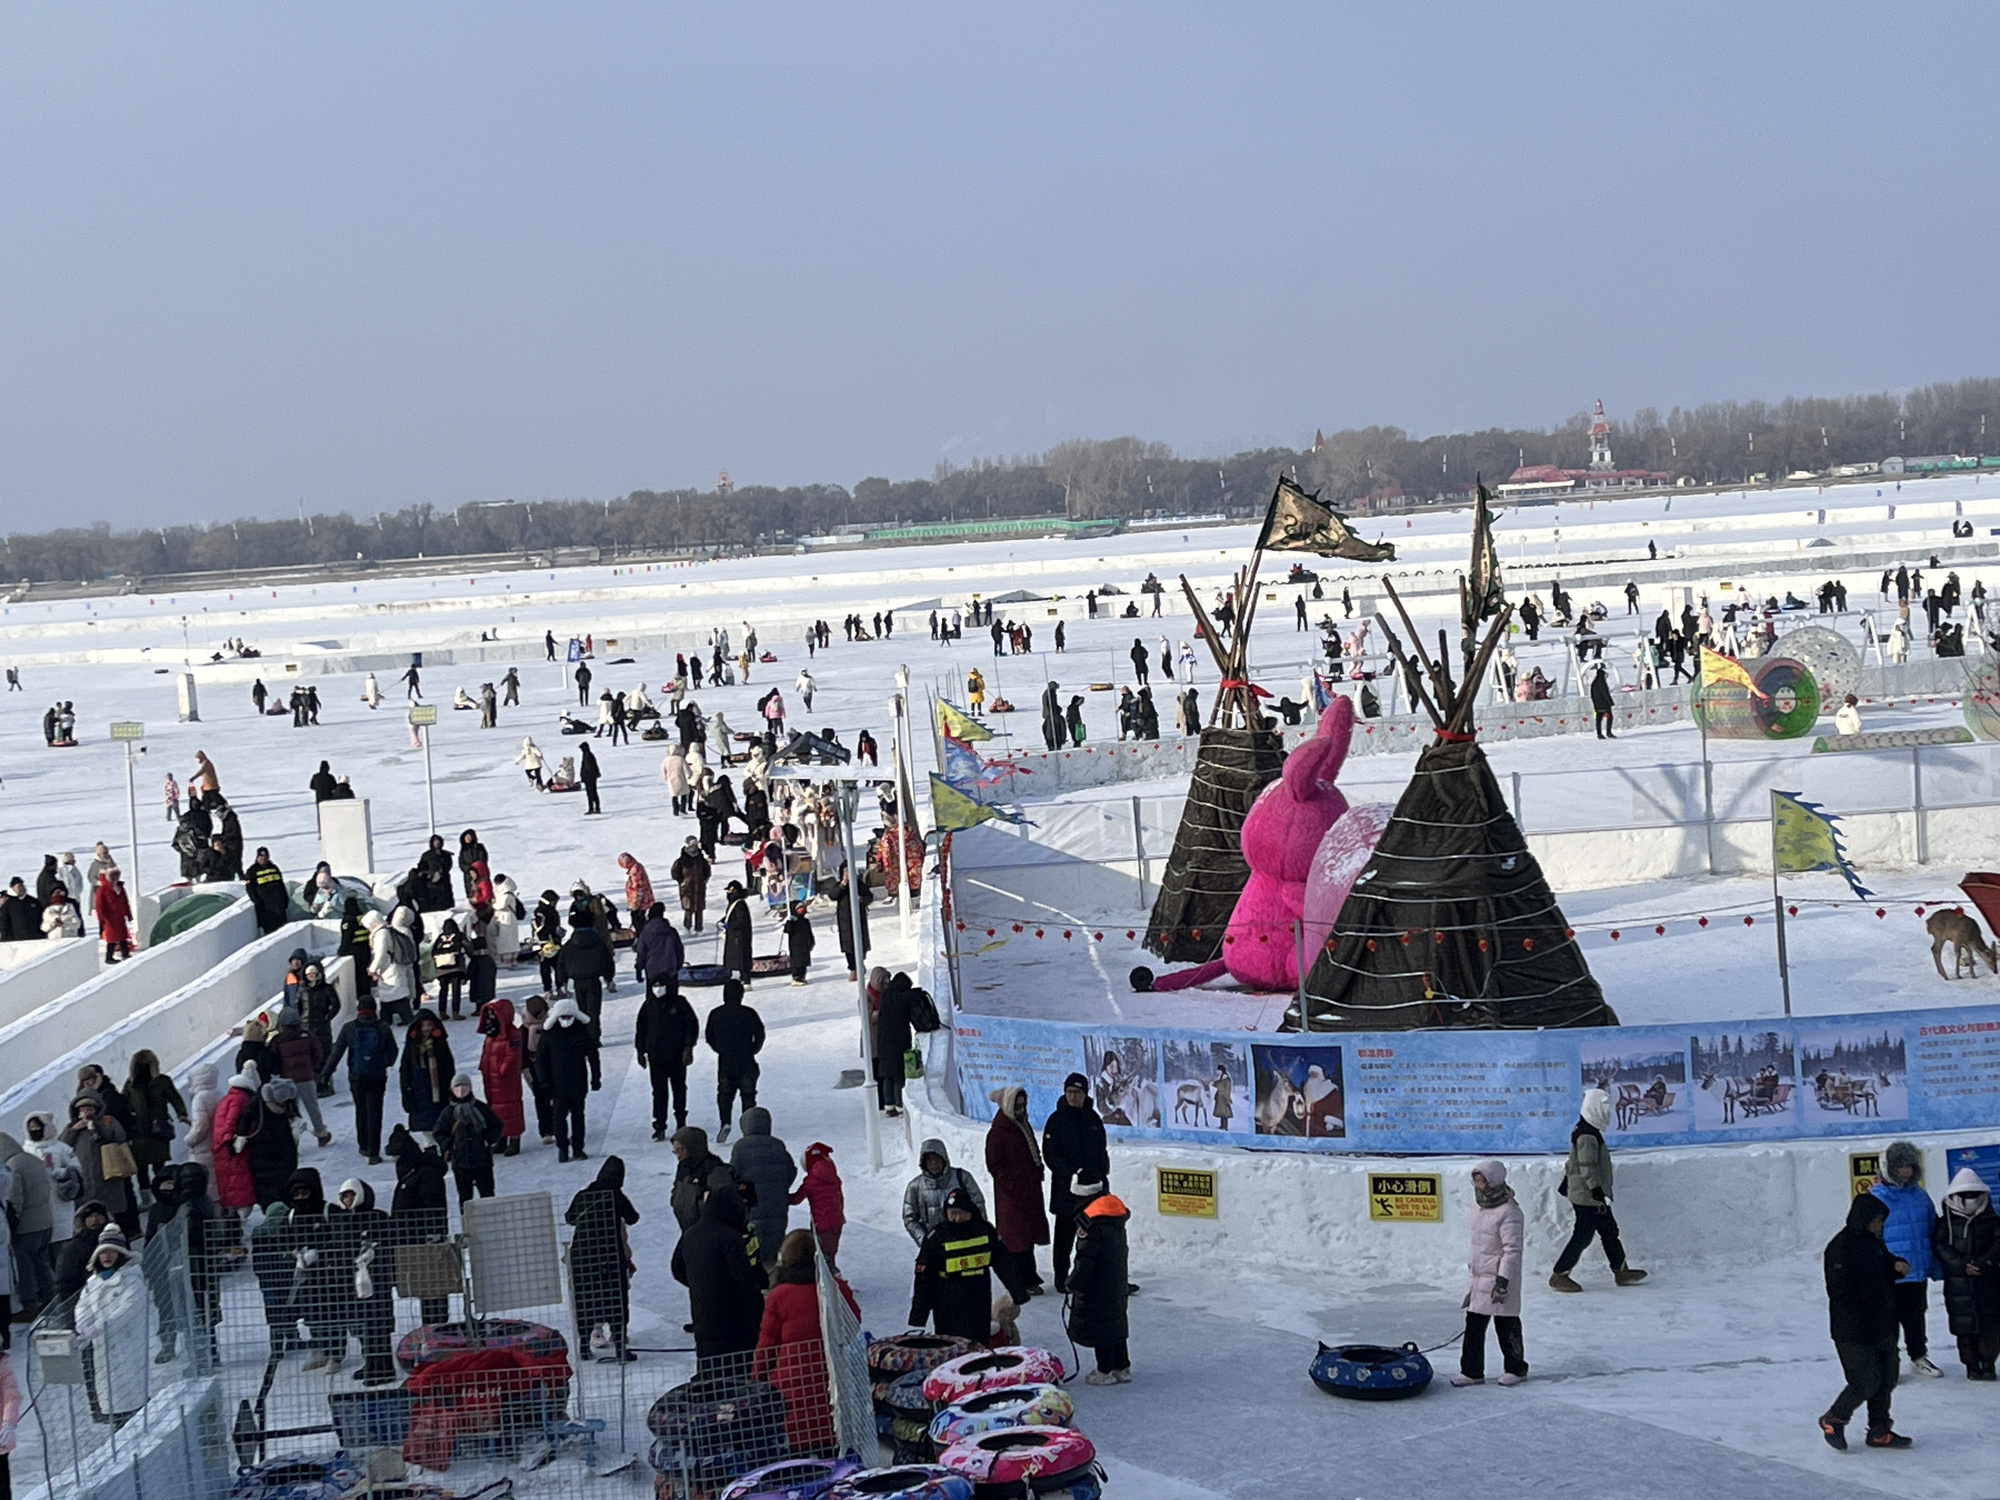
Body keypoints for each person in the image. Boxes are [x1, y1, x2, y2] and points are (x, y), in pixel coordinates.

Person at [1820, 1192, 1913, 1450]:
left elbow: (1884, 1268)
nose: (1880, 1225)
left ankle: (1879, 1429)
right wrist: (1869, 1296)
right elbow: (1839, 1290)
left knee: (1886, 1378)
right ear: (1864, 1219)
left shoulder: (1874, 1243)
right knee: (1865, 1381)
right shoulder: (1840, 1247)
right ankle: (1834, 1418)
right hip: (1853, 1329)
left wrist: (1897, 1265)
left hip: (1882, 1324)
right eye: (1877, 1220)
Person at [756, 1230, 858, 1453]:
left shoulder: (779, 1295)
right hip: (832, 1385)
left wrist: (757, 1379)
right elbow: (853, 1326)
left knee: (795, 1460)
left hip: (789, 1392)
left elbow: (767, 1346)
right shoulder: (835, 1289)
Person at [1548, 1088, 1646, 1291]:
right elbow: (1587, 1165)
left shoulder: (1589, 1129)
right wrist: (1596, 1190)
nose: (1607, 1111)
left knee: (1610, 1231)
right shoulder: (1586, 1135)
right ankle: (1560, 1274)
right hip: (1588, 1197)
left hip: (1592, 1196)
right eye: (1604, 1106)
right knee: (1583, 1235)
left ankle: (1621, 1271)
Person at [672, 1181, 766, 1376]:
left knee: (710, 1375)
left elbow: (677, 1269)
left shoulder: (690, 1234)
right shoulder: (730, 1237)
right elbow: (745, 1281)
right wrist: (759, 1315)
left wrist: (701, 1284)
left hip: (703, 1319)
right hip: (735, 1322)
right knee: (737, 1376)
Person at [1451, 1159, 1528, 1386]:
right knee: (1473, 1327)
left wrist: (1502, 1282)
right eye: (1475, 1180)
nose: (1478, 1184)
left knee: (1507, 1325)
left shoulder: (1509, 1211)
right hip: (1479, 1278)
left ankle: (1516, 1368)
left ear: (1494, 1180)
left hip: (1500, 1280)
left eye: (1482, 1179)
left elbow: (1512, 1250)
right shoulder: (1478, 1206)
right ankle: (1472, 1372)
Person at [1872, 1140, 1943, 1376]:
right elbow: (1869, 1238)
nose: (1906, 1171)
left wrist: (1934, 1265)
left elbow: (1932, 1229)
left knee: (1915, 1316)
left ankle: (1919, 1356)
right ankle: (1888, 1365)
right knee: (1888, 1321)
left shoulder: (1919, 1196)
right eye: (1900, 1166)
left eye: (1909, 1166)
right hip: (1890, 1273)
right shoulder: (1877, 1197)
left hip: (1916, 1271)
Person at [73, 1227, 149, 1427]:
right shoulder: (93, 1282)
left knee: (130, 1394)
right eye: (103, 1252)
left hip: (127, 1345)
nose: (107, 1256)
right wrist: (83, 1322)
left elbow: (125, 1312)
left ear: (121, 1254)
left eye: (112, 1251)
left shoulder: (132, 1281)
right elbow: (83, 1304)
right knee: (110, 1395)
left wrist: (98, 1327)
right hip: (102, 1348)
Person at [566, 1156, 640, 1361]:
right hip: (609, 1256)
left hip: (583, 1256)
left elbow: (570, 1218)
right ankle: (620, 1348)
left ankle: (584, 1345)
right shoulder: (616, 1195)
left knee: (586, 1299)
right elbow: (633, 1218)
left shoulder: (585, 1193)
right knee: (615, 1298)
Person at [1043, 1072, 1109, 1294]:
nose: (1073, 1097)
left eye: (1077, 1092)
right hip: (1066, 1189)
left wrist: (1100, 1172)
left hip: (1093, 1188)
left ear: (1085, 1094)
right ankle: (1062, 1278)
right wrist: (1070, 1173)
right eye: (1069, 1092)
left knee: (1095, 1234)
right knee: (1064, 1236)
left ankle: (1093, 1274)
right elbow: (1050, 1154)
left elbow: (1101, 1150)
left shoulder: (1093, 1119)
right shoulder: (1056, 1119)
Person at [1931, 1165, 2000, 1378]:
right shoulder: (1945, 1223)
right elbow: (1940, 1246)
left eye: (1975, 1195)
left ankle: (1988, 1363)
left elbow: (1999, 1244)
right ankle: (1971, 1366)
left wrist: (1984, 1263)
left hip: (1988, 1282)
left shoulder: (1992, 1221)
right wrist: (1961, 1265)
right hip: (1958, 1284)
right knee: (1964, 1328)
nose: (1970, 1200)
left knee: (1991, 1326)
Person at [1067, 1173, 1132, 1384]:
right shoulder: (1115, 1214)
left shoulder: (1089, 1222)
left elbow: (1086, 1259)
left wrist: (1073, 1283)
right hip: (1116, 1280)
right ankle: (1122, 1367)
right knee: (1115, 1323)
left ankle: (1104, 1371)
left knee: (1101, 1327)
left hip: (1096, 1285)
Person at [985, 1086, 1049, 1300]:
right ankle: (1019, 1282)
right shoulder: (998, 1132)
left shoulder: (1022, 1125)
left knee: (1027, 1238)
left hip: (1028, 1191)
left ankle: (1029, 1277)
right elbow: (994, 1165)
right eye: (1017, 1105)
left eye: (1023, 1105)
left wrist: (1037, 1170)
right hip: (1011, 1195)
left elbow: (1033, 1151)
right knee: (1016, 1240)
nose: (1021, 1109)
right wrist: (1012, 1185)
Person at [910, 1187, 996, 1343]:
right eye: (953, 1213)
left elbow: (1003, 1261)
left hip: (978, 1294)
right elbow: (924, 1277)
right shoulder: (937, 1236)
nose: (956, 1218)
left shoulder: (984, 1230)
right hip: (947, 1298)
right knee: (949, 1343)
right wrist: (919, 1315)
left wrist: (1018, 1291)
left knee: (979, 1340)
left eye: (961, 1213)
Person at [320, 998, 398, 1164]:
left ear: (358, 1010)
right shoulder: (382, 1027)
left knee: (361, 1110)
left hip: (356, 1076)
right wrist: (384, 1063)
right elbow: (393, 1052)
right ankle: (374, 1153)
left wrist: (325, 1075)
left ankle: (363, 1146)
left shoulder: (350, 1028)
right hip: (377, 1076)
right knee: (375, 1112)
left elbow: (336, 1053)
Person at [62, 1093, 137, 1241]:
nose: (86, 1111)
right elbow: (63, 1145)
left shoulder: (108, 1121)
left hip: (109, 1176)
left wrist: (98, 1127)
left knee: (113, 1213)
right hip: (86, 1179)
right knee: (88, 1215)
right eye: (82, 1109)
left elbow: (121, 1137)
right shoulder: (72, 1127)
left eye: (89, 1108)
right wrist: (74, 1130)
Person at [730, 1107, 795, 1274]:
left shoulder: (741, 1147)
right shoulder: (777, 1145)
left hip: (752, 1205)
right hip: (777, 1205)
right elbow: (791, 1170)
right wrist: (780, 1188)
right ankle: (773, 1277)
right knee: (775, 1241)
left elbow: (734, 1174)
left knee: (754, 1243)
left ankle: (759, 1282)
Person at [0, 1127, 56, 1317]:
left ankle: (29, 1305)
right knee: (41, 1261)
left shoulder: (12, 1166)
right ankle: (50, 1296)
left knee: (24, 1266)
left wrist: (11, 1223)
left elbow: (15, 1199)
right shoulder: (32, 1159)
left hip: (27, 1226)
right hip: (45, 1221)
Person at [636, 973, 700, 1140]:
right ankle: (660, 1125)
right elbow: (641, 1029)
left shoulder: (679, 1003)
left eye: (660, 985)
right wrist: (640, 1051)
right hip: (656, 1056)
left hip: (677, 1055)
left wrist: (688, 1047)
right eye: (654, 985)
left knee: (679, 1089)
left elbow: (691, 1025)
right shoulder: (648, 1005)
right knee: (658, 1091)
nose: (658, 989)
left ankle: (680, 1123)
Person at [538, 996, 601, 1163]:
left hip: (578, 1083)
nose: (566, 1020)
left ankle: (578, 1148)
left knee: (578, 1117)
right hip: (556, 1085)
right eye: (562, 1017)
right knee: (558, 1118)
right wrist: (544, 1083)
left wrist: (596, 1077)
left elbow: (593, 1056)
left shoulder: (582, 1032)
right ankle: (562, 1148)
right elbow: (541, 1061)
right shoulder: (549, 1035)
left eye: (569, 1017)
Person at [705, 979, 765, 1144]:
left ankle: (725, 1122)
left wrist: (720, 1049)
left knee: (725, 1094)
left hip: (726, 1061)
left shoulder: (716, 1014)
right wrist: (754, 1049)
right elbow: (760, 1033)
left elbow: (709, 1036)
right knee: (748, 1095)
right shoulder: (749, 1013)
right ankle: (749, 1126)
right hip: (746, 1059)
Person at [433, 1073, 504, 1204]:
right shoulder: (448, 1112)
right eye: (457, 1086)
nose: (461, 1089)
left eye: (464, 1086)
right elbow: (438, 1133)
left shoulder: (481, 1108)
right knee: (465, 1199)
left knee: (488, 1196)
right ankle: (466, 1222)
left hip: (483, 1161)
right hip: (461, 1163)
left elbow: (496, 1126)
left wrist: (487, 1140)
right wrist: (450, 1144)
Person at [122, 1050, 190, 1185]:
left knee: (143, 1167)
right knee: (157, 1166)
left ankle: (149, 1196)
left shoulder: (131, 1084)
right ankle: (162, 1193)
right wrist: (181, 1113)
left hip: (141, 1130)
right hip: (156, 1129)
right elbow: (175, 1098)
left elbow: (124, 1102)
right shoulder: (161, 1081)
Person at [903, 1138, 986, 1246]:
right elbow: (909, 1218)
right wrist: (924, 1240)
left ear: (944, 1159)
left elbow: (978, 1205)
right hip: (935, 1247)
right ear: (923, 1162)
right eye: (929, 1160)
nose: (934, 1163)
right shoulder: (915, 1187)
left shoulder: (962, 1178)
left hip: (964, 1241)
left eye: (937, 1159)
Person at [476, 999, 526, 1156]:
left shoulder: (512, 1034)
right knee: (496, 1109)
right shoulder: (492, 1033)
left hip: (506, 1080)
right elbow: (486, 1052)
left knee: (511, 1108)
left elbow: (513, 1056)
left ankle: (514, 1140)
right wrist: (484, 1067)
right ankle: (501, 1138)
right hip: (491, 1078)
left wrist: (501, 1071)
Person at [558, 910, 616, 1031]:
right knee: (594, 1011)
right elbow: (607, 961)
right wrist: (609, 978)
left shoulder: (569, 944)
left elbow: (561, 963)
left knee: (582, 1010)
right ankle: (594, 1037)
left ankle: (585, 1037)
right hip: (594, 981)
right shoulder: (598, 942)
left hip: (578, 982)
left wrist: (562, 981)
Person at [400, 1011, 454, 1135]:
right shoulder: (412, 1045)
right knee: (425, 1123)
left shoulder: (440, 1043)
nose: (426, 1029)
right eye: (424, 1026)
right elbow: (405, 1068)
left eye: (429, 1025)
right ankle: (430, 1146)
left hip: (439, 1087)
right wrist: (406, 1088)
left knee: (439, 1119)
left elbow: (448, 1065)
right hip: (419, 1087)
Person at [833, 865, 871, 981]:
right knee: (848, 947)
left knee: (861, 943)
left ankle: (860, 963)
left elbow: (869, 896)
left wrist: (862, 899)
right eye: (845, 873)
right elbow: (832, 895)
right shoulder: (839, 886)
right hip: (845, 921)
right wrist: (842, 885)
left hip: (859, 919)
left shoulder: (859, 884)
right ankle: (853, 969)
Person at [93, 866, 132, 964]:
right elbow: (99, 906)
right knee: (112, 938)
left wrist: (128, 913)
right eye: (112, 876)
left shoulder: (120, 888)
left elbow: (125, 901)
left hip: (119, 916)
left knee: (123, 935)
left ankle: (125, 953)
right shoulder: (103, 889)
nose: (115, 878)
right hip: (109, 918)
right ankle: (109, 957)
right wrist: (101, 918)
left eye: (116, 875)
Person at [672, 838, 711, 933]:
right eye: (693, 845)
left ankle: (699, 928)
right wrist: (682, 882)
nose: (695, 847)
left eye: (696, 844)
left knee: (699, 908)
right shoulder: (682, 860)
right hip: (687, 889)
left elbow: (707, 871)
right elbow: (675, 873)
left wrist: (704, 880)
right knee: (688, 909)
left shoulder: (700, 859)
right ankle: (687, 927)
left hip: (700, 887)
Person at [720, 879, 754, 984]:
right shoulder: (734, 902)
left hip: (739, 936)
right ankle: (738, 977)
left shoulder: (739, 904)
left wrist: (729, 925)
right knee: (735, 958)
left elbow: (741, 921)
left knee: (742, 958)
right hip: (735, 935)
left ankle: (746, 980)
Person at [782, 901, 815, 986]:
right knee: (797, 962)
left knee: (804, 962)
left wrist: (811, 941)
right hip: (795, 946)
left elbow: (809, 932)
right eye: (799, 908)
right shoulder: (792, 922)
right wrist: (789, 921)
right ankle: (796, 977)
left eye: (803, 907)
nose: (801, 909)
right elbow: (787, 930)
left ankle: (802, 976)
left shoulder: (806, 921)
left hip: (805, 945)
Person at [1589, 664, 1615, 740]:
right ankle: (1608, 732)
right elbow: (1605, 694)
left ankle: (1599, 733)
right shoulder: (1602, 683)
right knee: (1610, 717)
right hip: (1605, 704)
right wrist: (1610, 702)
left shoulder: (1594, 683)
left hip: (1597, 704)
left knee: (1599, 719)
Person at [580, 741, 603, 815]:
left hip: (590, 778)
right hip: (589, 778)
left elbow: (589, 768)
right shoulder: (587, 755)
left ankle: (595, 808)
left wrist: (587, 776)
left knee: (592, 793)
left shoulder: (588, 755)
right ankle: (593, 808)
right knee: (591, 794)